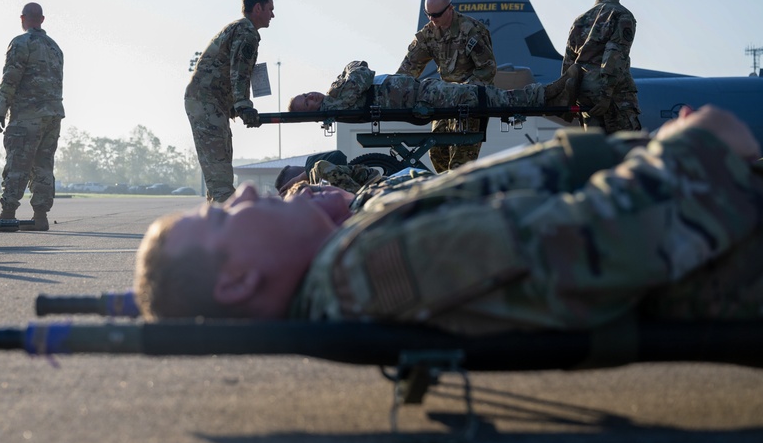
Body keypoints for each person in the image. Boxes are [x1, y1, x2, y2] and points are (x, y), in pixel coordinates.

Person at [134, 105, 763, 335]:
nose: (243, 193)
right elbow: (601, 241)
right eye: (221, 219)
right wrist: (700, 143)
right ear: (239, 281)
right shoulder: (365, 272)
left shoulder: (345, 256)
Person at [185, 0, 274, 203]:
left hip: (212, 104)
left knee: (221, 172)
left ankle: (216, 223)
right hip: (206, 103)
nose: (273, 15)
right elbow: (239, 71)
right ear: (258, 8)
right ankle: (229, 227)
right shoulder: (246, 32)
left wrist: (236, 105)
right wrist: (244, 105)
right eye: (270, 9)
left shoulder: (240, 29)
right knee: (221, 178)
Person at [396, 0, 497, 173]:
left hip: (470, 105)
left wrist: (464, 92)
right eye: (428, 15)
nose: (432, 20)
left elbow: (487, 69)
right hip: (445, 104)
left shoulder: (472, 31)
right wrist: (393, 92)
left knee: (460, 165)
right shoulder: (428, 35)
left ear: (450, 8)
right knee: (436, 153)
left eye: (436, 15)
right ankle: (448, 194)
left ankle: (460, 195)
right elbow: (408, 69)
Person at [0, 2, 64, 231]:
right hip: (52, 115)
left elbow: (11, 78)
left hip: (27, 116)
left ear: (22, 19)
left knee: (17, 164)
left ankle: (7, 213)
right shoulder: (55, 48)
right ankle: (40, 217)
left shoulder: (22, 43)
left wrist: (0, 109)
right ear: (42, 20)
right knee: (43, 166)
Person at [289, 60, 580, 113]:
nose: (312, 97)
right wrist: (349, 72)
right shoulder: (335, 102)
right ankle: (549, 92)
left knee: (488, 97)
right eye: (308, 103)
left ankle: (550, 96)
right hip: (421, 95)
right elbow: (362, 71)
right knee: (485, 96)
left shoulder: (333, 94)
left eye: (306, 95)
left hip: (420, 90)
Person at [563, 0, 640, 133]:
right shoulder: (622, 15)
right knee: (625, 146)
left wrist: (570, 97)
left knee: (596, 147)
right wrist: (606, 95)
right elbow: (615, 55)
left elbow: (569, 61)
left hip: (584, 92)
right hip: (612, 94)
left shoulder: (580, 20)